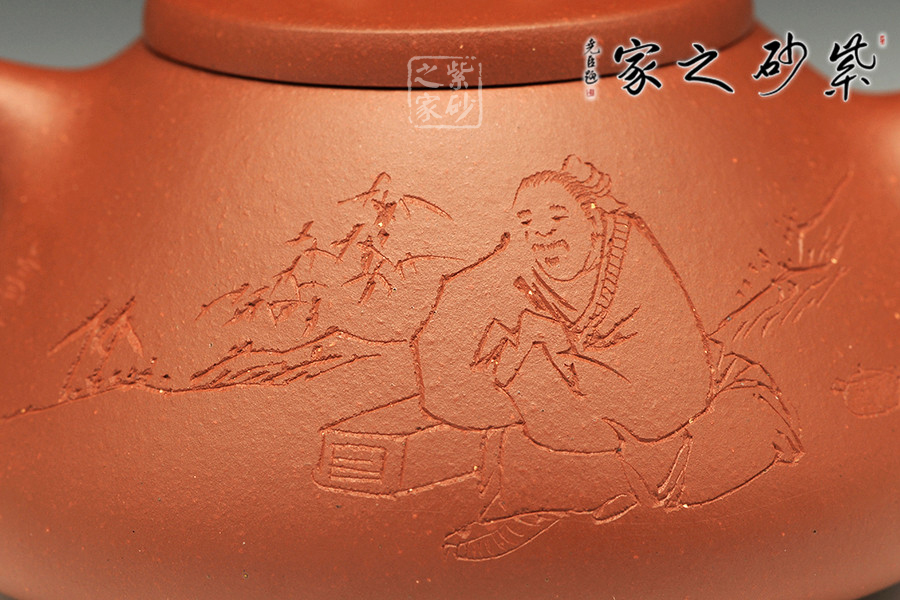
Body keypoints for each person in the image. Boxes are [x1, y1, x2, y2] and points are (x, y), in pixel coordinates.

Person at [314, 156, 802, 560]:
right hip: (578, 404)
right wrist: (519, 375)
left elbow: (671, 385)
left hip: (665, 397)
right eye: (527, 221)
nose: (542, 232)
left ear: (591, 220)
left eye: (556, 217)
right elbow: (448, 333)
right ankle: (542, 501)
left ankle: (562, 501)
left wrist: (552, 369)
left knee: (673, 438)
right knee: (524, 405)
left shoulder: (629, 254)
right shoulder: (521, 257)